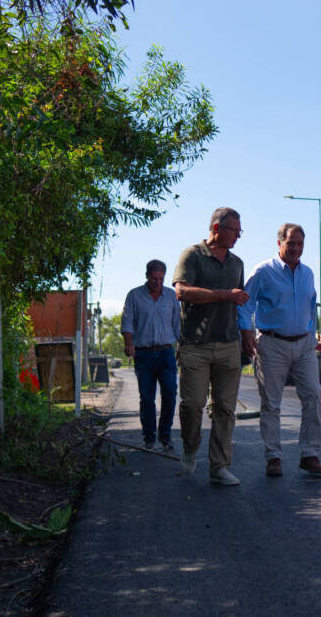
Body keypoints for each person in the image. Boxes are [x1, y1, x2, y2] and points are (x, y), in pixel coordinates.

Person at [239, 223, 321, 478]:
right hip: (272, 344)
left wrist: (311, 334)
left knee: (313, 396)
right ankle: (273, 457)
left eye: (300, 244)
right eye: (291, 243)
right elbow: (245, 304)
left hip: (304, 345)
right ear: (279, 244)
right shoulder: (263, 272)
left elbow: (311, 305)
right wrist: (247, 333)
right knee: (271, 404)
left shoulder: (308, 273)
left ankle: (310, 454)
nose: (296, 249)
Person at [173, 207, 249, 486]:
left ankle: (219, 467)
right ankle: (190, 447)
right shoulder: (192, 255)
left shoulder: (237, 263)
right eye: (234, 230)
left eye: (240, 231)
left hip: (229, 344)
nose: (238, 236)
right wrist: (222, 295)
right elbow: (181, 291)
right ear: (217, 228)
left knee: (225, 409)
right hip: (195, 345)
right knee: (193, 404)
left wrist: (247, 335)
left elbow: (239, 303)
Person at [121, 259, 181, 450]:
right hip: (144, 354)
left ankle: (165, 435)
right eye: (154, 278)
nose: (157, 282)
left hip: (166, 353)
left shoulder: (171, 297)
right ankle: (149, 438)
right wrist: (128, 343)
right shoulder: (134, 296)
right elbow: (127, 323)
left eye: (161, 278)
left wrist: (183, 348)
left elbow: (178, 325)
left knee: (170, 393)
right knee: (147, 397)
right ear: (147, 276)